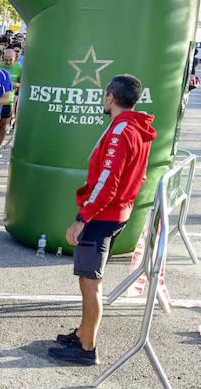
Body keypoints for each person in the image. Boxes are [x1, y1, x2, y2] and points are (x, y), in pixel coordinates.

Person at [50, 74, 157, 366]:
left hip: (102, 216)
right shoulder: (134, 127)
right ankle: (84, 332)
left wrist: (82, 217)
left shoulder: (121, 131)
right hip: (116, 213)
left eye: (103, 95)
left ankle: (86, 348)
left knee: (90, 283)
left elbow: (108, 182)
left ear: (110, 97)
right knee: (90, 281)